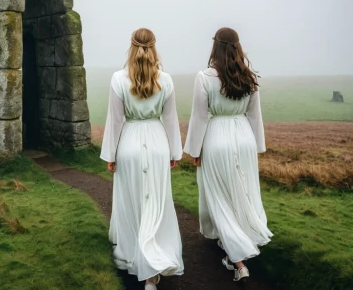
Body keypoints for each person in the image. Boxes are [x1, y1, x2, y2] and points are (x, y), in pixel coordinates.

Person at [184, 27, 272, 282]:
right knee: (241, 191)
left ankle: (238, 261)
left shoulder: (204, 77)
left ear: (215, 46)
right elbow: (255, 116)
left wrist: (195, 149)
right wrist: (257, 147)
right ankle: (236, 240)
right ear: (237, 47)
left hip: (216, 137)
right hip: (244, 137)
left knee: (219, 195)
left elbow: (200, 117)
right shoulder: (250, 77)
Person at [100, 28, 184, 289]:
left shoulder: (118, 78)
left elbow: (114, 120)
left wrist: (110, 154)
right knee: (156, 200)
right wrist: (174, 152)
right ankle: (154, 265)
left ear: (131, 46)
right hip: (158, 143)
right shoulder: (166, 80)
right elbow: (170, 120)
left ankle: (136, 256)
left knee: (131, 199)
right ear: (154, 46)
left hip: (129, 143)